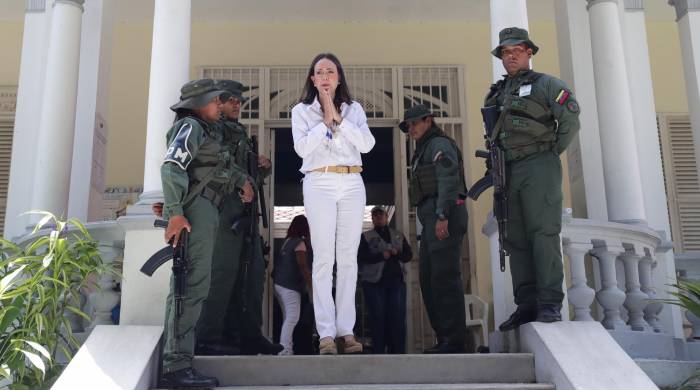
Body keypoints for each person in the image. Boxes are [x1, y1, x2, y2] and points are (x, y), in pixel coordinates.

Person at [485, 27, 580, 331]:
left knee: (543, 232)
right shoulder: (496, 92)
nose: (510, 56)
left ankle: (550, 302)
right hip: (507, 169)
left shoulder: (547, 85)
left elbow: (569, 121)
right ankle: (526, 304)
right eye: (505, 52)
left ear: (529, 52)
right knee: (515, 237)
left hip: (539, 164)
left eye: (516, 51)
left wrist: (550, 151)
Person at [291, 52, 376, 355]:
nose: (325, 75)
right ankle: (326, 333)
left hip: (352, 182)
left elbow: (367, 144)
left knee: (349, 258)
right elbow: (301, 148)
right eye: (319, 71)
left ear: (339, 77)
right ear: (312, 79)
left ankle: (347, 332)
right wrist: (324, 122)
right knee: (324, 258)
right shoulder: (300, 111)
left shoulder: (354, 110)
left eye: (330, 70)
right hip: (320, 181)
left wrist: (339, 119)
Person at [194, 79, 281, 356]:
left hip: (246, 214)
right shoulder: (211, 130)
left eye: (239, 100)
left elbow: (244, 171)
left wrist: (260, 167)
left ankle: (249, 336)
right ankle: (208, 337)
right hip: (222, 211)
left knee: (253, 275)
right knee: (222, 274)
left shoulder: (239, 132)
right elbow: (214, 166)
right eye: (231, 99)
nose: (237, 105)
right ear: (217, 101)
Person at [159, 78, 232, 388]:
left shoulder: (203, 129)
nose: (219, 104)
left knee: (196, 284)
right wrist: (174, 211)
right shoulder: (192, 126)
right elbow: (172, 166)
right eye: (214, 100)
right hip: (195, 211)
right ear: (199, 103)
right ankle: (176, 366)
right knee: (189, 285)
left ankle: (181, 358)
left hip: (205, 209)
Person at [401, 104, 468, 354]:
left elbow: (448, 180)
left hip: (444, 215)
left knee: (444, 278)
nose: (411, 129)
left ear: (429, 120)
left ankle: (454, 340)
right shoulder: (424, 149)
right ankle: (445, 337)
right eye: (408, 126)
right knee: (429, 280)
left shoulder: (439, 145)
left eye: (415, 123)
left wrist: (442, 215)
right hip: (432, 218)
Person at [357, 206, 412, 354]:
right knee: (378, 318)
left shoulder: (398, 235)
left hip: (396, 282)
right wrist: (381, 256)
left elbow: (408, 255)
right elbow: (361, 258)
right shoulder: (366, 236)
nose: (378, 217)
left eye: (381, 214)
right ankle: (379, 353)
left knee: (398, 318)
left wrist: (397, 253)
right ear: (372, 218)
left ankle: (398, 353)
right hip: (374, 284)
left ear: (386, 217)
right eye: (375, 215)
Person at [272, 215, 313, 355]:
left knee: (287, 317)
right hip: (290, 286)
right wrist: (311, 286)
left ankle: (286, 347)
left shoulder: (287, 241)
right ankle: (285, 349)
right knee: (292, 318)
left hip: (279, 284)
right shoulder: (299, 243)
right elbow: (302, 265)